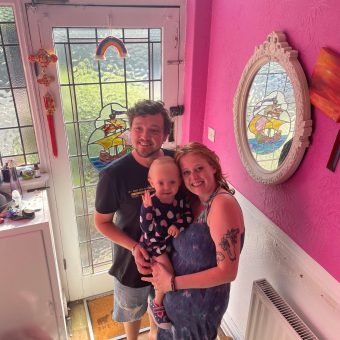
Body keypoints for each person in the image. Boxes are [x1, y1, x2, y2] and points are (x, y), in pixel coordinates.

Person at [141, 142, 245, 340]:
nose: (193, 177)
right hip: (173, 306)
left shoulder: (221, 205)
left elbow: (228, 272)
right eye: (186, 172)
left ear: (213, 167)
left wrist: (171, 283)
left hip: (197, 312)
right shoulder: (191, 199)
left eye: (199, 169)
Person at [94, 99, 173, 340]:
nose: (144, 136)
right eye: (138, 128)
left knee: (161, 309)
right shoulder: (113, 175)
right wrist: (135, 247)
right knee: (131, 312)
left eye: (154, 130)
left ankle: (154, 335)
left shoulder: (176, 162)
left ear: (166, 134)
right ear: (129, 131)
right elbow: (102, 222)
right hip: (131, 262)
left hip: (171, 260)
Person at [139, 156, 193, 330]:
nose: (167, 187)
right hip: (154, 245)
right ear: (151, 182)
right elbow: (146, 228)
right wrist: (147, 209)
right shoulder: (151, 202)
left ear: (179, 182)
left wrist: (178, 225)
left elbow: (188, 216)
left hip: (168, 242)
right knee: (167, 272)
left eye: (172, 182)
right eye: (161, 183)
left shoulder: (180, 199)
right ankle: (157, 304)